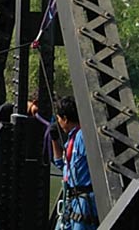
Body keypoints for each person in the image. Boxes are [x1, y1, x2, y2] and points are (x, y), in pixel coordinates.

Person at [51, 96, 99, 230]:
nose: (58, 122)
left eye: (59, 119)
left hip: (83, 200)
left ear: (65, 118)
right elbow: (61, 165)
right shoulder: (71, 139)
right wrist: (54, 140)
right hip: (70, 200)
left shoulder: (83, 137)